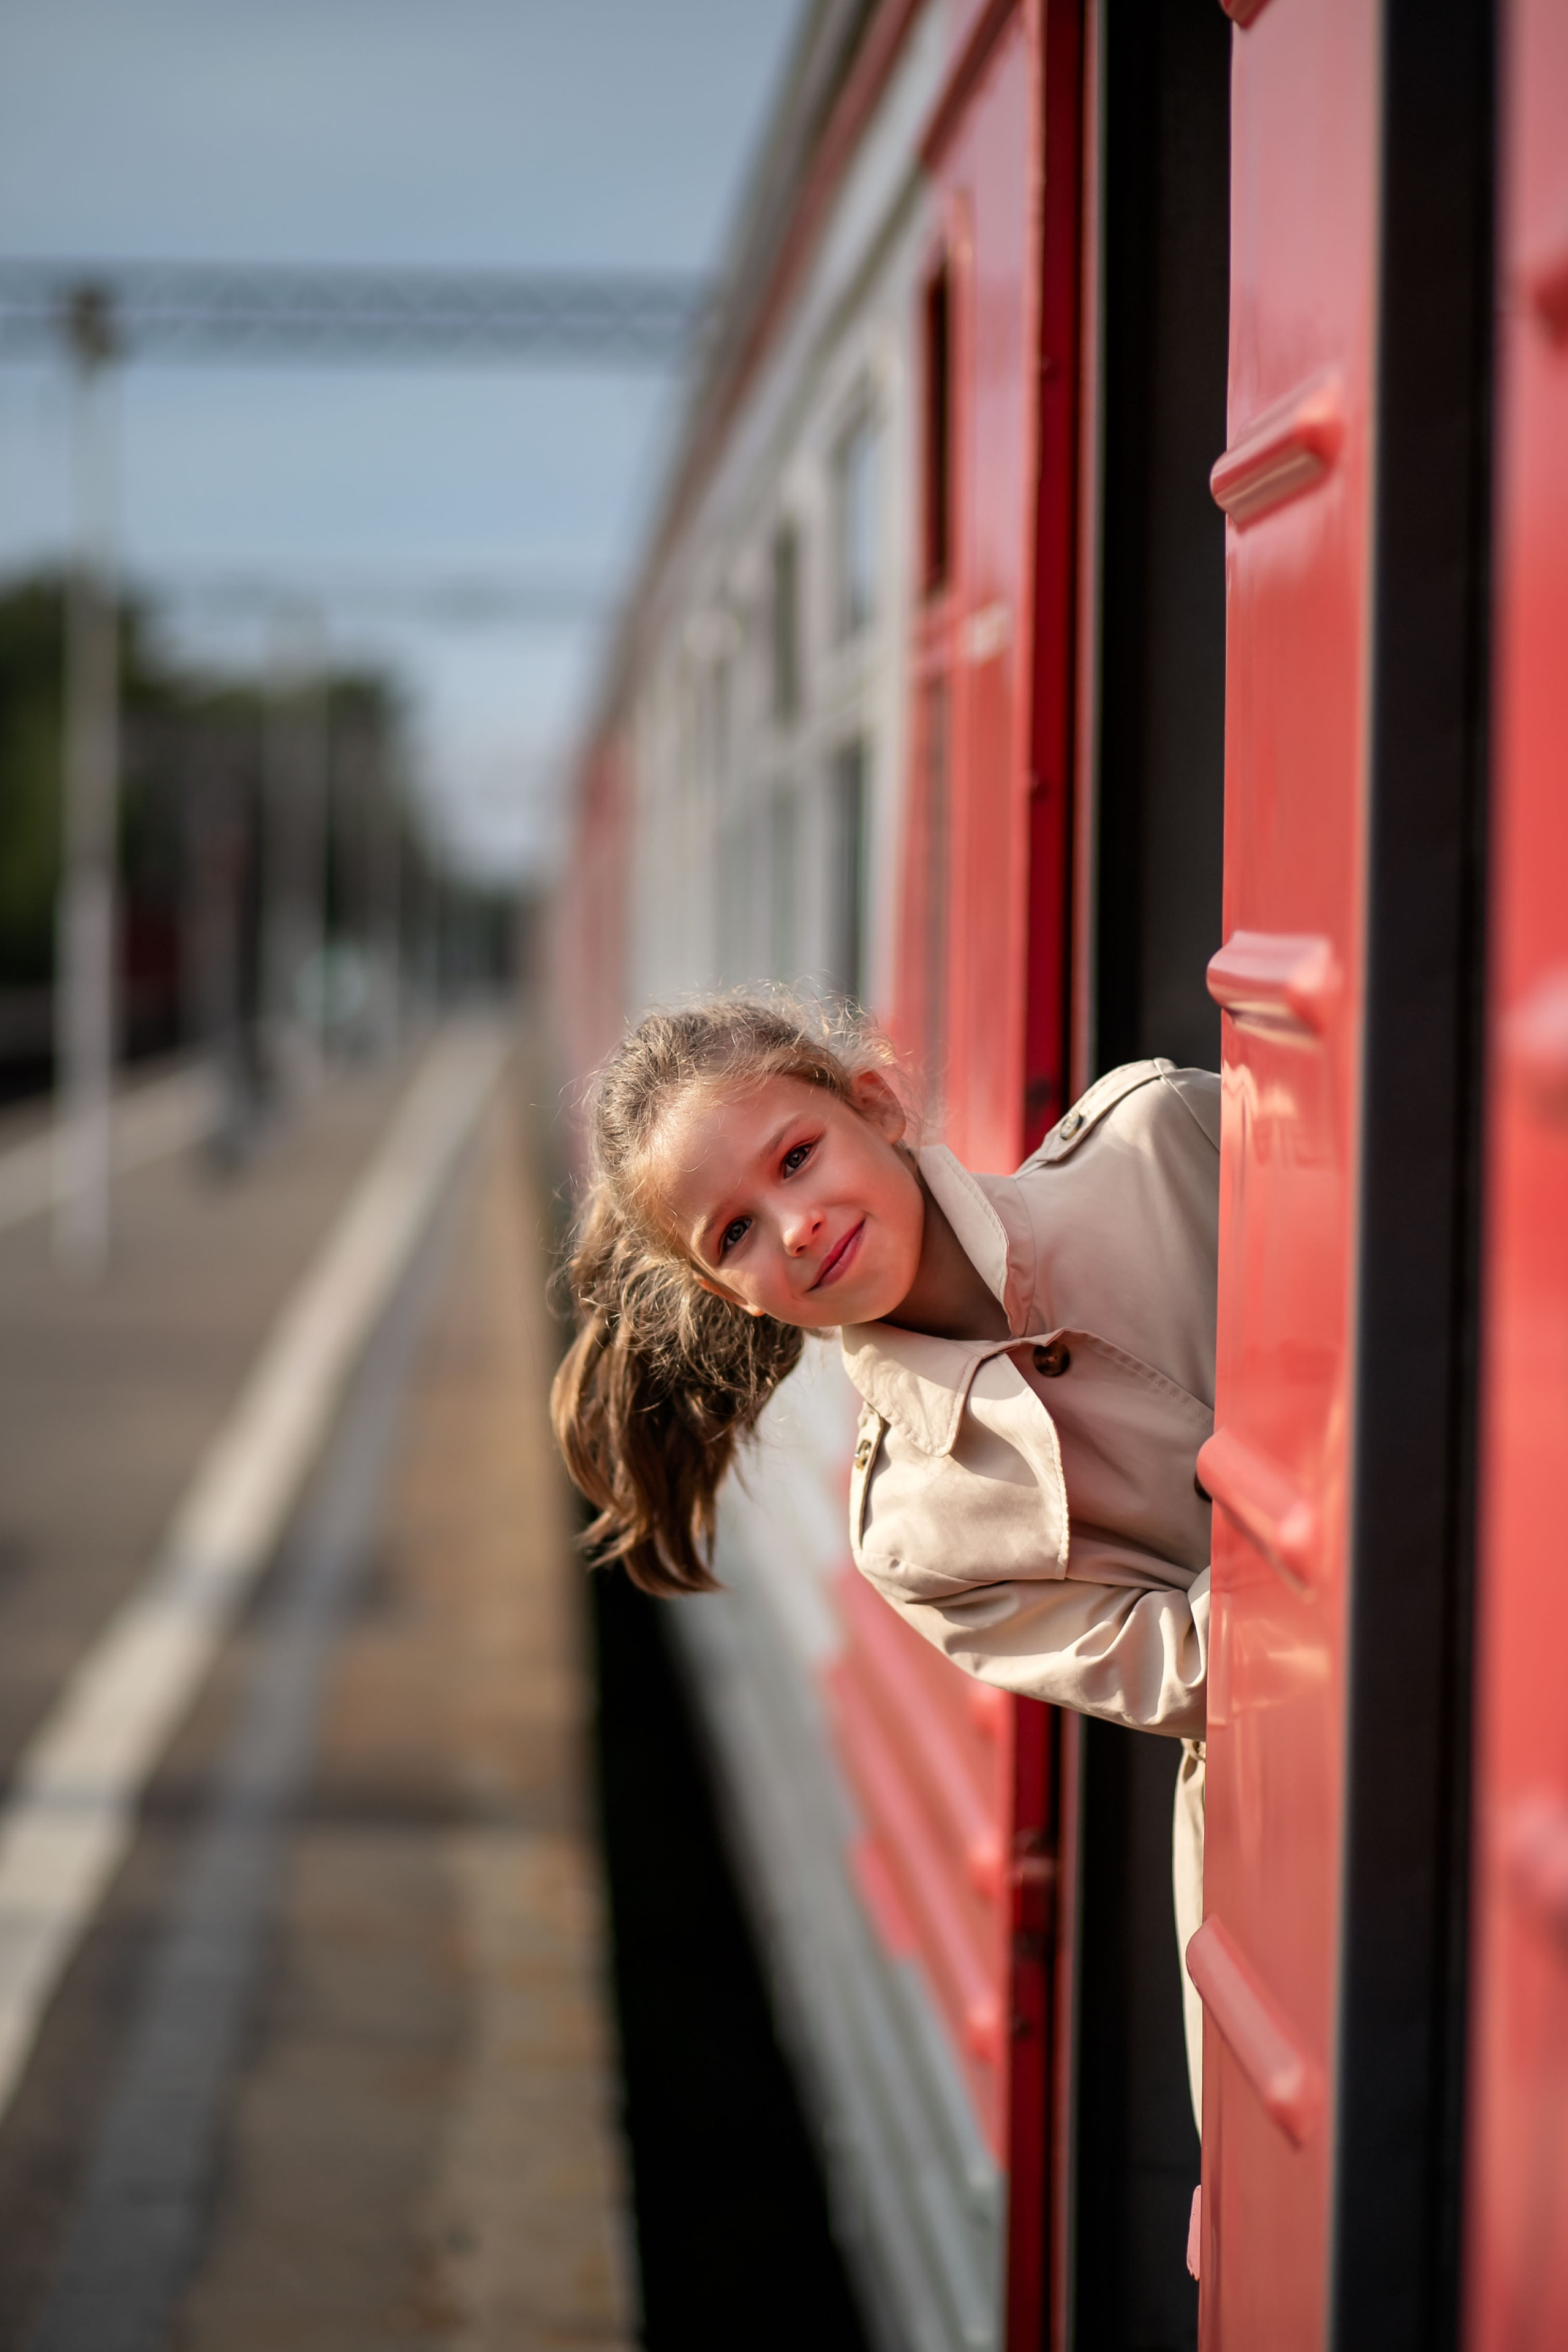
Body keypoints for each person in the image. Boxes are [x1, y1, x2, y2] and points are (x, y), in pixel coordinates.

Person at [550, 990, 1216, 2127]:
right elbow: (1197, 1675)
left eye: (797, 1157)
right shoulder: (917, 1537)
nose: (794, 1224)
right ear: (726, 1294)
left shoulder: (1168, 1138)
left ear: (876, 1103)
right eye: (736, 1234)